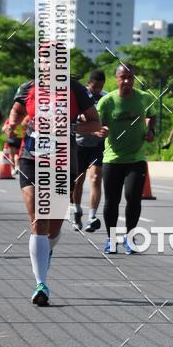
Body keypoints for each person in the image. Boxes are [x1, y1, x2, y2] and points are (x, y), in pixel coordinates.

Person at [6, 62, 100, 305]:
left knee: (54, 226)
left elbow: (95, 122)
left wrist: (71, 126)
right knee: (39, 219)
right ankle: (41, 284)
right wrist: (12, 124)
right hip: (31, 158)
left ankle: (46, 250)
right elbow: (16, 112)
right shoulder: (28, 87)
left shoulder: (75, 89)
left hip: (62, 161)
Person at [96, 62, 156, 254]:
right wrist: (101, 131)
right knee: (112, 201)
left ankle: (130, 238)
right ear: (116, 78)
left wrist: (150, 130)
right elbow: (98, 124)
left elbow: (152, 115)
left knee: (133, 198)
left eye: (130, 77)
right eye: (123, 77)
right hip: (112, 159)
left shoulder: (144, 98)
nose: (127, 81)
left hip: (136, 159)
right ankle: (111, 239)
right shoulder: (107, 102)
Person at [71, 69, 106, 232]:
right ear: (88, 83)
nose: (97, 89)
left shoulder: (106, 97)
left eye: (100, 86)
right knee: (78, 181)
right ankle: (77, 210)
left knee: (96, 178)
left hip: (97, 145)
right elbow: (76, 122)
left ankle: (92, 216)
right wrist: (91, 129)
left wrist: (105, 130)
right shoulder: (80, 95)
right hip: (80, 144)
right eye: (95, 86)